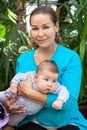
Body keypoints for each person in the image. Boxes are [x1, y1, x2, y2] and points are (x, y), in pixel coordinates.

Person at [5, 5, 87, 130]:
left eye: (46, 27)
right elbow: (17, 95)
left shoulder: (70, 58)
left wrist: (31, 93)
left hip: (66, 122)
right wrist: (9, 106)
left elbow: (69, 103)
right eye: (35, 28)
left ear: (56, 27)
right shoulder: (23, 59)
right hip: (32, 121)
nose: (40, 34)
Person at [0, 60, 69, 126]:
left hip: (23, 111)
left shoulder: (54, 86)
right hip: (9, 95)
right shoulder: (30, 76)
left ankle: (6, 125)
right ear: (36, 77)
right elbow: (18, 76)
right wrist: (13, 85)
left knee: (12, 122)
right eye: (46, 79)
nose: (50, 84)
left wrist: (60, 100)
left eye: (54, 80)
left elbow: (64, 91)